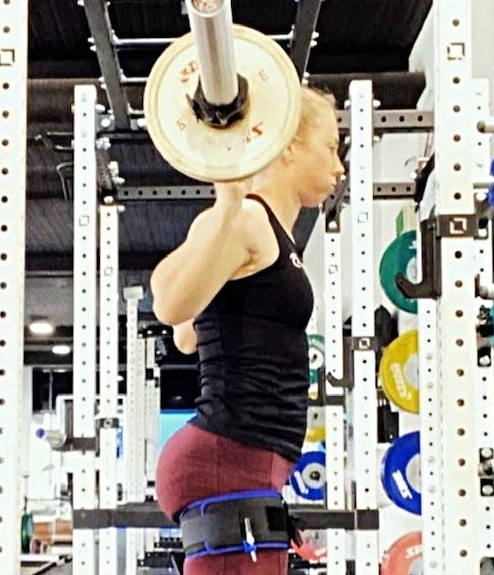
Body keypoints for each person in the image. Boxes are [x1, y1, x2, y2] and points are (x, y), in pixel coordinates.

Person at [149, 85, 345, 575]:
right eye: (331, 147)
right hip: (227, 454)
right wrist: (229, 200)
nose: (339, 166)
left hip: (244, 463)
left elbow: (189, 336)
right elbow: (171, 305)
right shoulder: (248, 219)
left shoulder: (262, 230)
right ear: (290, 144)